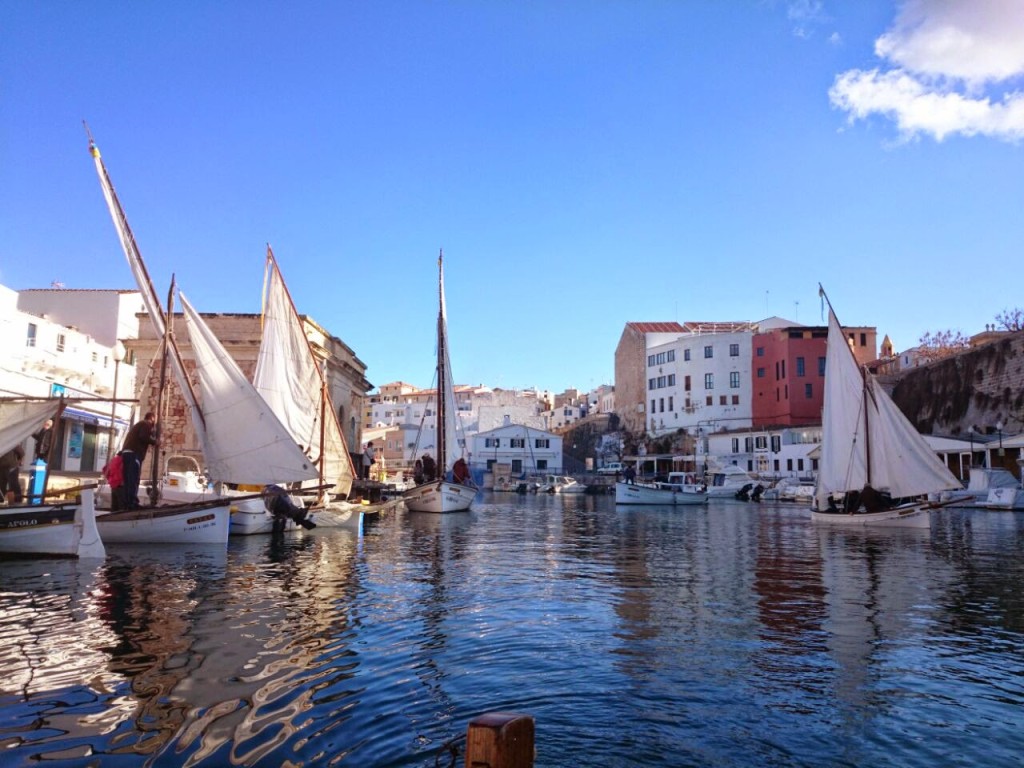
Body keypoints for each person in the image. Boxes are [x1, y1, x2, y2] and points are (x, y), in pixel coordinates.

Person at [121, 412, 159, 509]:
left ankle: (127, 503)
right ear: (152, 418)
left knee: (129, 479)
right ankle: (132, 503)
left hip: (127, 453)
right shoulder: (146, 424)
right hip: (134, 454)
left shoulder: (139, 424)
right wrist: (155, 441)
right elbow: (143, 436)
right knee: (134, 479)